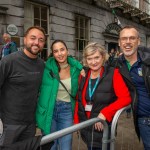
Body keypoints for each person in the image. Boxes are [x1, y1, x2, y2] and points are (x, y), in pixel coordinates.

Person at [74, 42, 131, 150]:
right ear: (86, 60)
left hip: (103, 127)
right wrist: (77, 121)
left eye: (97, 57)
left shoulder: (114, 73)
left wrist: (105, 113)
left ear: (103, 57)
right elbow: (79, 99)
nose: (93, 62)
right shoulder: (83, 75)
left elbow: (126, 98)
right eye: (90, 58)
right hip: (85, 126)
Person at [0, 26, 46, 146]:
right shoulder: (9, 61)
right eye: (33, 38)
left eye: (41, 40)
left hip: (31, 123)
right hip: (10, 123)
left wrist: (80, 68)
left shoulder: (42, 65)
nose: (37, 42)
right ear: (25, 39)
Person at [36, 40, 83, 150]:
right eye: (56, 51)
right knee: (51, 145)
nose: (60, 53)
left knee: (66, 146)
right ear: (53, 53)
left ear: (67, 51)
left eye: (62, 49)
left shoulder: (77, 69)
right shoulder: (46, 68)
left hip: (66, 111)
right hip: (49, 110)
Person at [116, 25, 150, 150]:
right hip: (144, 120)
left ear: (139, 41)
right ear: (119, 42)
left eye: (132, 38)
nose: (128, 42)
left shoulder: (148, 61)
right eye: (124, 39)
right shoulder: (117, 65)